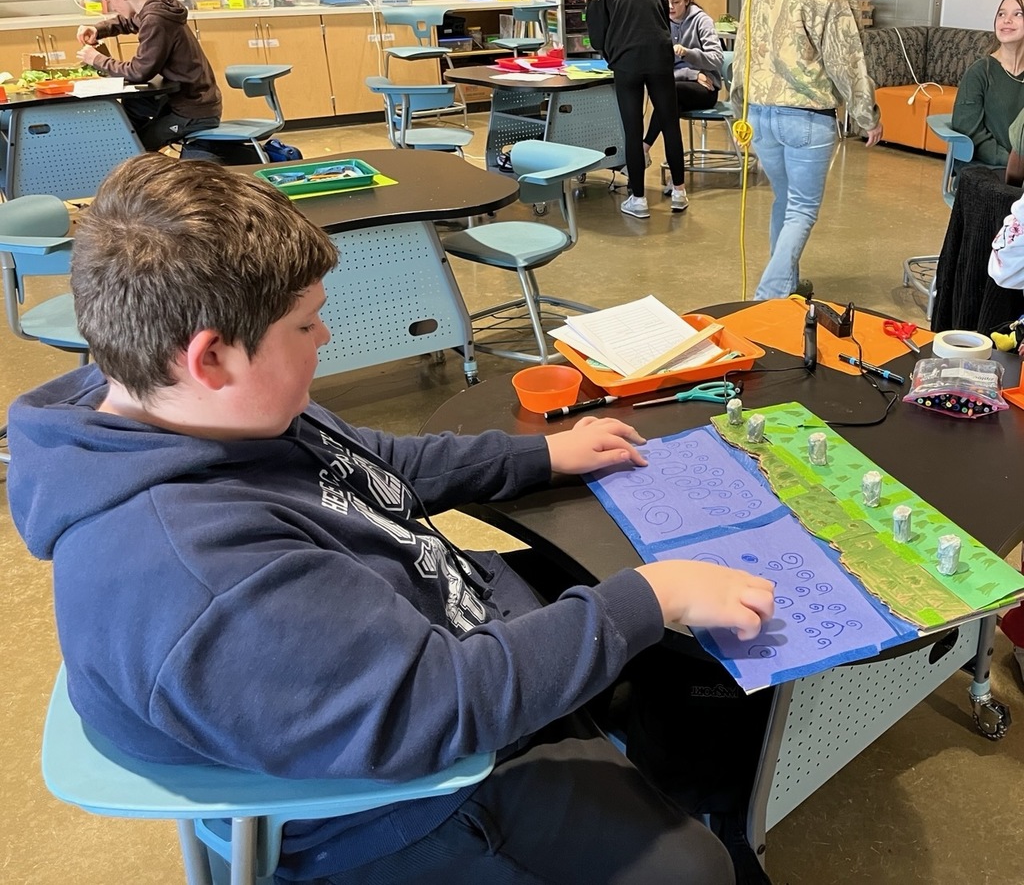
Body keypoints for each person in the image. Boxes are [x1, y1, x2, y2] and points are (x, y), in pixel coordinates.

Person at [7, 153, 776, 885]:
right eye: (305, 326)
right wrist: (651, 597)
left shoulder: (188, 401)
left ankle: (683, 772)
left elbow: (374, 467)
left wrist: (544, 457)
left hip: (432, 635)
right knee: (696, 869)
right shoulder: (197, 575)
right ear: (210, 359)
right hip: (400, 808)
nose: (326, 339)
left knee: (686, 648)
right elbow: (439, 706)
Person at [731, 0, 882, 301]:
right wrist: (868, 115)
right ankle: (769, 299)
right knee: (801, 208)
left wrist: (736, 108)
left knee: (784, 200)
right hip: (806, 121)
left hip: (761, 116)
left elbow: (744, 48)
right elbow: (846, 62)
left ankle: (789, 280)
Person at [586, 0, 691, 219]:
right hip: (660, 59)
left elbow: (596, 35)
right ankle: (679, 192)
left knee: (632, 131)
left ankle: (638, 199)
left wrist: (612, 52)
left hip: (627, 63)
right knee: (670, 124)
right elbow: (662, 21)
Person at [76, 0, 221, 152]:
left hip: (193, 110)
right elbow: (127, 21)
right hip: (188, 99)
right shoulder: (154, 6)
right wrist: (98, 29)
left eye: (109, 1)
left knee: (136, 146)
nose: (112, 8)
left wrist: (97, 59)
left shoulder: (155, 20)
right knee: (132, 109)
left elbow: (138, 72)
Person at [642, 0, 726, 196]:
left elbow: (717, 59)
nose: (671, 7)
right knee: (669, 105)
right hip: (678, 85)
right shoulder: (661, 21)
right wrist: (690, 72)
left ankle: (644, 148)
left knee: (668, 95)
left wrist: (689, 54)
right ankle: (676, 179)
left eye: (676, 2)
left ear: (687, 1)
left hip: (705, 89)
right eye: (667, 2)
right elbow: (658, 66)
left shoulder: (701, 20)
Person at [952, 0, 1024, 169]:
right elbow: (971, 133)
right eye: (1001, 14)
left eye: (1018, 14)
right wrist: (1012, 164)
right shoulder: (980, 72)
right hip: (986, 170)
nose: (1006, 20)